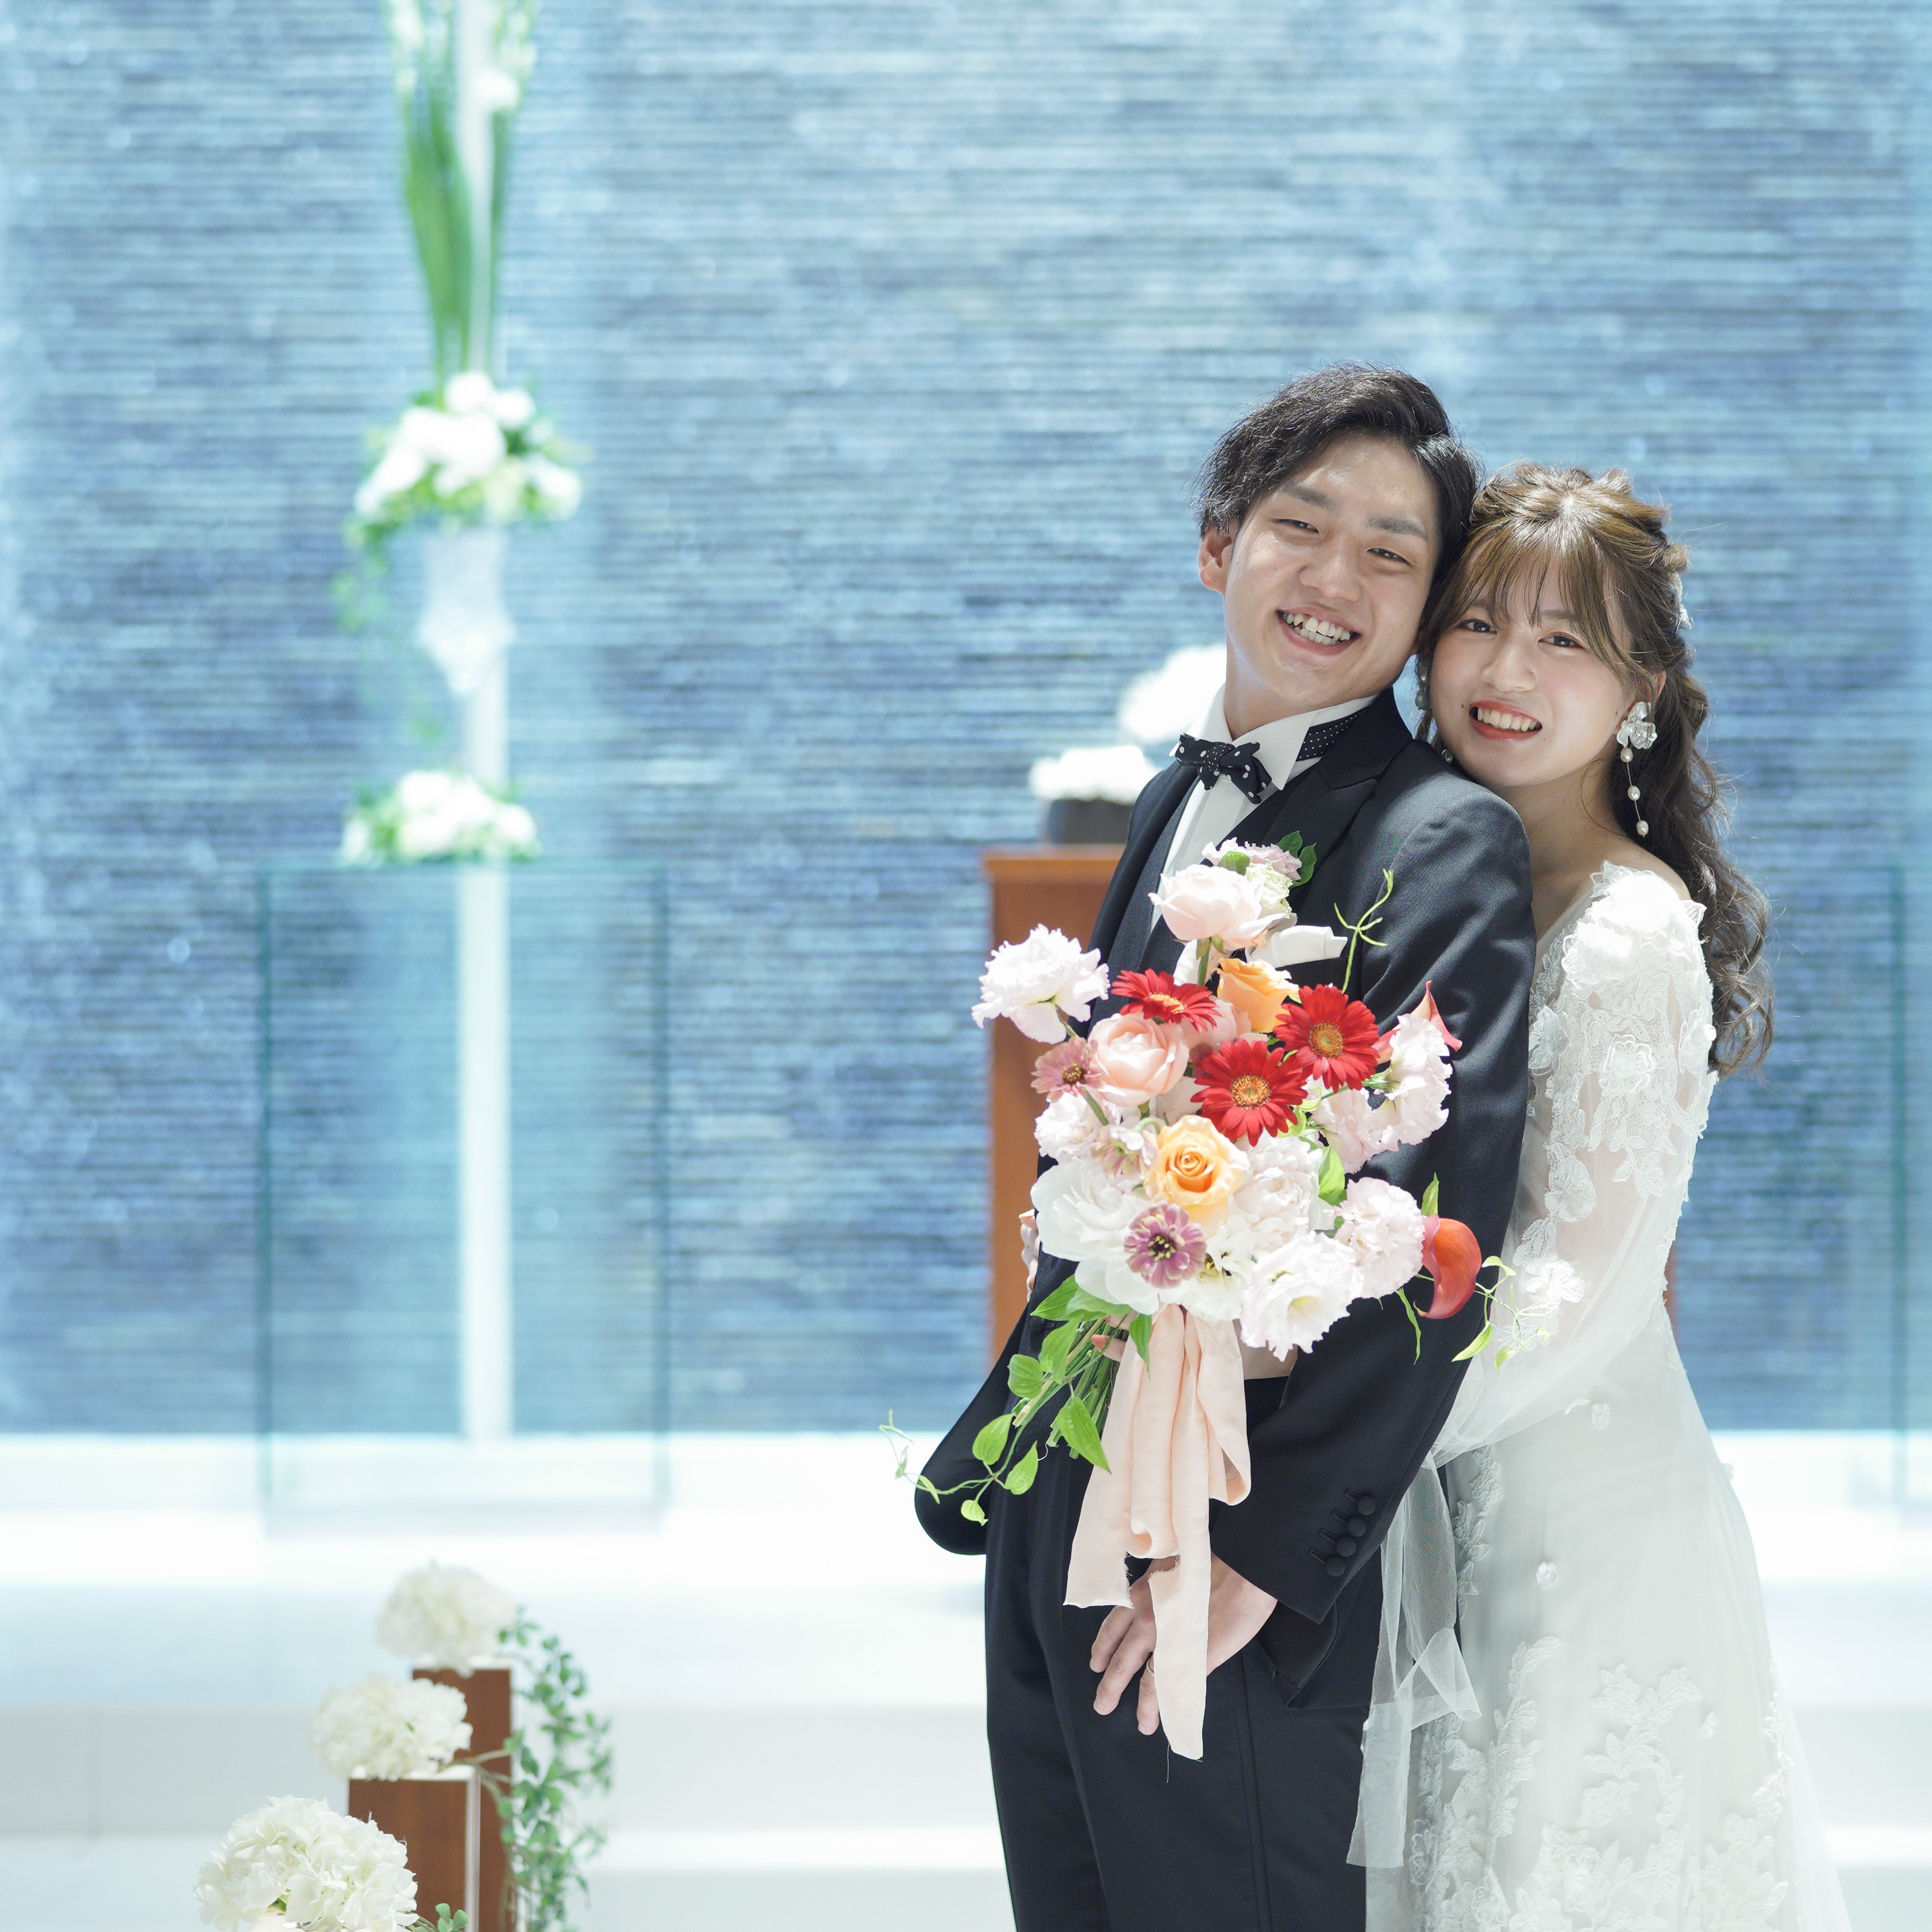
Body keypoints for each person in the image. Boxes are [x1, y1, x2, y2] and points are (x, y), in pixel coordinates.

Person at [916, 364, 1538, 1930]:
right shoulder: (1165, 804)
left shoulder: (1441, 839)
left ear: (1424, 609)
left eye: (1391, 554)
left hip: (1231, 1542)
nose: (1336, 578)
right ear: (1218, 545)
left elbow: (1441, 1234)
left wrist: (1264, 1555)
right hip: (1066, 1499)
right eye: (1300, 526)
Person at [1368, 463, 1848, 1930]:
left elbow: (1579, 1288)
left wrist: (1344, 1442)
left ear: (1642, 687)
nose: (1505, 671)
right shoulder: (1439, 886)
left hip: (1580, 1524)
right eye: (1476, 623)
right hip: (1450, 1491)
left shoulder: (1629, 932)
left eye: (1563, 638)